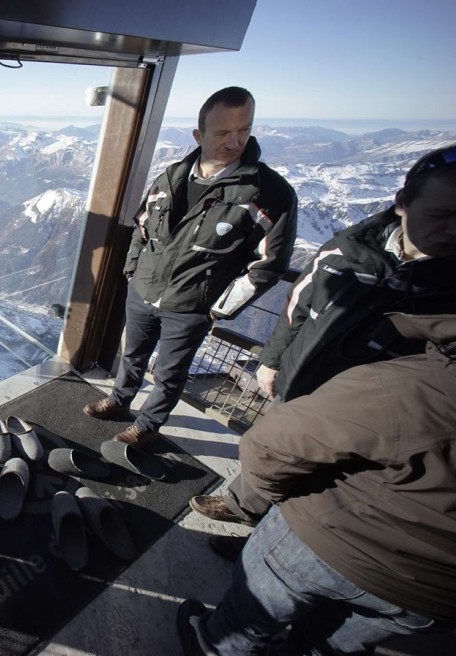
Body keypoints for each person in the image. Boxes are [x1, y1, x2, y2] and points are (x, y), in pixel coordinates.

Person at [191, 143, 456, 531]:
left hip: (374, 415)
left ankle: (282, 533)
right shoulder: (344, 253)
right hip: (303, 381)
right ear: (402, 204)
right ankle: (243, 504)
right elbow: (297, 307)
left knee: (330, 481)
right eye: (442, 214)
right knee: (277, 444)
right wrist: (272, 358)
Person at [177, 312, 456, 655]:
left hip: (329, 541)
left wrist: (287, 505)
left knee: (243, 624)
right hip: (435, 595)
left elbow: (268, 448)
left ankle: (211, 645)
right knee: (323, 647)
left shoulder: (419, 385)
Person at [85, 87, 297, 451]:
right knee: (132, 355)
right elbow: (141, 225)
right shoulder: (172, 176)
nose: (235, 142)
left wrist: (215, 308)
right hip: (143, 291)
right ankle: (120, 401)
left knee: (169, 373)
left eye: (244, 130)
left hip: (190, 307)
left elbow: (269, 265)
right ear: (198, 135)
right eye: (222, 133)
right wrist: (133, 272)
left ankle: (148, 425)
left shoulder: (270, 194)